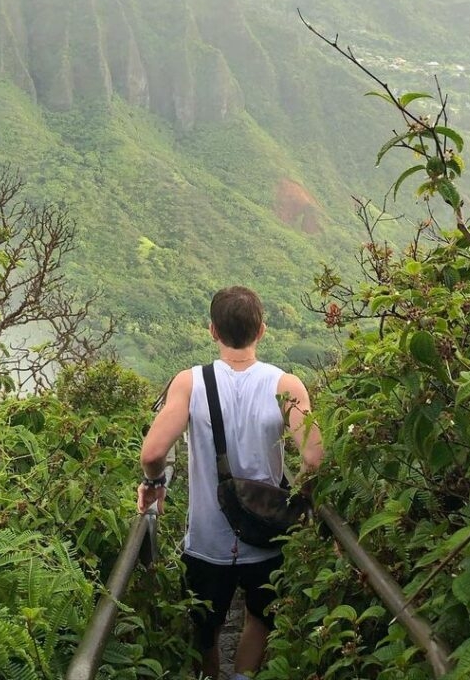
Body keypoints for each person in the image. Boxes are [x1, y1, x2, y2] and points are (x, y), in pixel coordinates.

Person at [137, 286, 323, 680]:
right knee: (258, 617)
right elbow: (313, 458)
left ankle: (210, 675)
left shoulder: (189, 383)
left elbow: (153, 454)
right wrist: (299, 499)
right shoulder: (286, 385)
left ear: (212, 331)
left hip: (206, 540)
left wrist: (154, 485)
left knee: (206, 627)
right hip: (268, 534)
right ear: (262, 330)